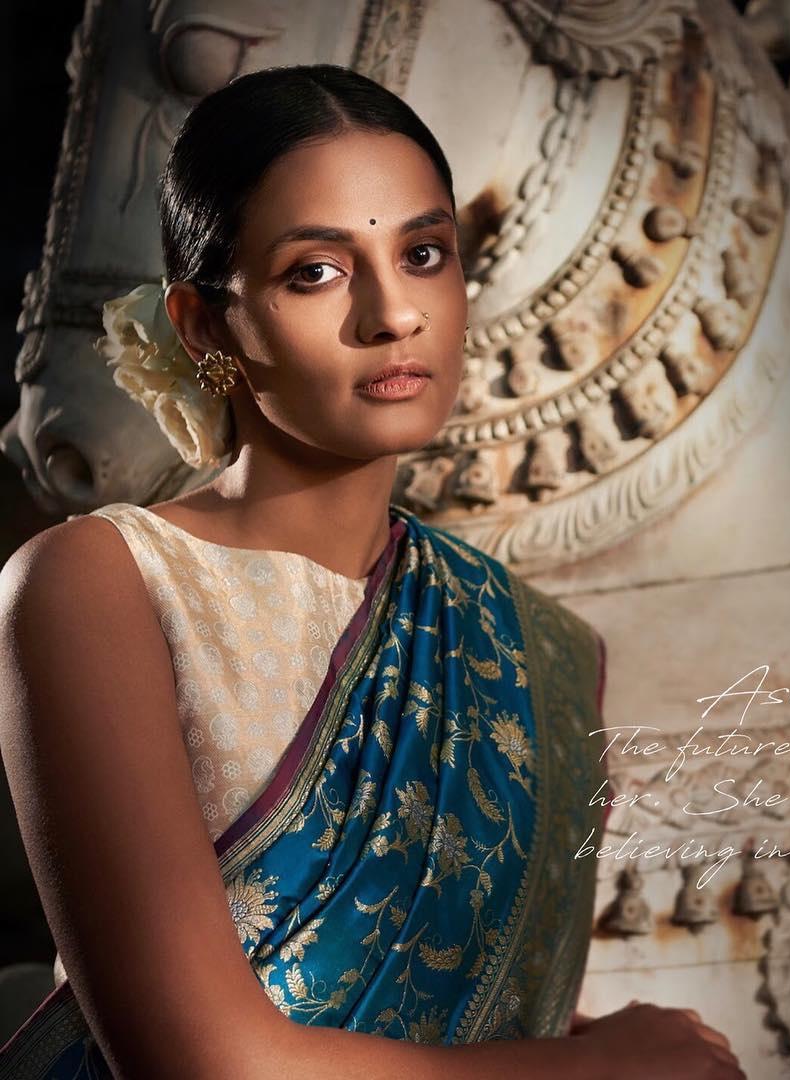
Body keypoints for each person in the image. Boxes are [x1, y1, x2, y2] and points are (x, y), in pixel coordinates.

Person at [0, 65, 746, 1079]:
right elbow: (201, 1062)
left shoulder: (531, 646)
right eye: (316, 270)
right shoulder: (105, 582)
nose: (394, 314)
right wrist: (598, 1070)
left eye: (425, 253)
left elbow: (469, 1016)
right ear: (205, 324)